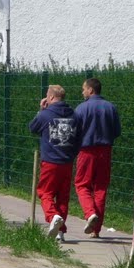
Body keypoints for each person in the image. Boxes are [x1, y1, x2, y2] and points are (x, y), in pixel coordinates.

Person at [73, 77, 121, 238]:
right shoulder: (111, 108)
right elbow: (117, 131)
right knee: (100, 188)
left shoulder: (81, 109)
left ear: (91, 90)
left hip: (86, 151)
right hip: (105, 151)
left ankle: (90, 213)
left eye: (84, 89)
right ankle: (96, 229)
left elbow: (74, 132)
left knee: (82, 184)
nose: (82, 92)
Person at [29, 84, 78, 242]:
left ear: (50, 97)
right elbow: (79, 138)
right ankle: (60, 232)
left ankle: (52, 216)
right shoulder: (74, 115)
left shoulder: (46, 115)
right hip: (67, 162)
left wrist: (42, 110)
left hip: (50, 161)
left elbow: (33, 128)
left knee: (45, 193)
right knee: (63, 197)